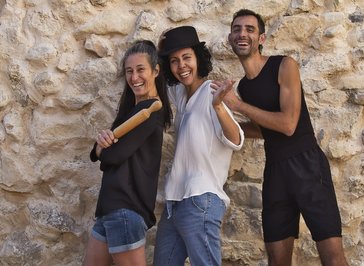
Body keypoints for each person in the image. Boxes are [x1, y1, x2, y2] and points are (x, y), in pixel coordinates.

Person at [212, 9, 348, 266]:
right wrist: (221, 121)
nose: (243, 34)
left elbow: (287, 124)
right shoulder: (244, 87)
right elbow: (264, 127)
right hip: (276, 172)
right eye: (237, 29)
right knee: (277, 259)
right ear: (230, 38)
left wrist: (237, 106)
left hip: (308, 166)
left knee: (332, 257)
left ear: (261, 38)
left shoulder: (285, 65)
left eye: (250, 29)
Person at [153, 26, 244, 266]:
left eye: (186, 58)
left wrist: (217, 107)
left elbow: (235, 139)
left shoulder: (210, 93)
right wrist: (162, 47)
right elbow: (158, 75)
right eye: (174, 61)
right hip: (175, 202)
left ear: (198, 58)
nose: (181, 66)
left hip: (201, 200)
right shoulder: (181, 96)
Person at [82, 40, 172, 266]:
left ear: (156, 71)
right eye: (129, 71)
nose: (134, 77)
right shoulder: (133, 111)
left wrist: (103, 149)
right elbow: (100, 153)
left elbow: (112, 156)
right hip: (110, 209)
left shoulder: (150, 110)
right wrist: (101, 146)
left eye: (141, 70)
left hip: (125, 208)